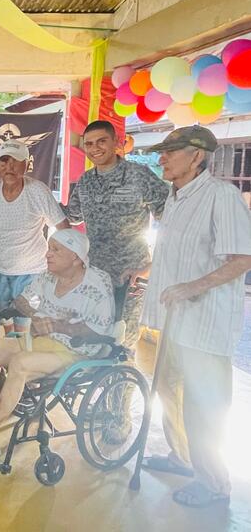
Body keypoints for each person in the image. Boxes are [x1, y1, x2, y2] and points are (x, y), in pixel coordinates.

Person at [139, 126, 251, 508]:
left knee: (204, 404)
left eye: (171, 152)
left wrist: (191, 287)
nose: (162, 158)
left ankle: (215, 481)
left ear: (197, 156)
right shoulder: (175, 196)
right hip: (172, 319)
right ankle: (183, 457)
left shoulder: (222, 196)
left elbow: (242, 259)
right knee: (169, 391)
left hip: (205, 323)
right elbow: (176, 253)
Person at [0, 230, 116, 464]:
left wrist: (60, 326)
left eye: (56, 250)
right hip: (39, 343)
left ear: (76, 257)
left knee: (20, 363)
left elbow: (102, 331)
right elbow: (22, 301)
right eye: (49, 247)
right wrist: (35, 315)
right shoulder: (48, 276)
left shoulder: (98, 282)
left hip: (75, 353)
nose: (48, 254)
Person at [63, 120, 168, 348]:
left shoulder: (139, 176)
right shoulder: (86, 181)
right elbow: (72, 216)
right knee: (92, 339)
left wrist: (150, 267)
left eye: (102, 141)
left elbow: (173, 222)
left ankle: (125, 384)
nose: (95, 148)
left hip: (130, 276)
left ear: (116, 143)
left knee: (123, 345)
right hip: (95, 275)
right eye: (89, 144)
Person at [0, 139, 69, 341]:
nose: (9, 166)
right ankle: (13, 357)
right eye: (4, 160)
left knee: (24, 320)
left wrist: (59, 263)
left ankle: (19, 362)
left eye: (16, 161)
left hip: (32, 271)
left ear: (26, 165)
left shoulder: (37, 191)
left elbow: (63, 228)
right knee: (4, 317)